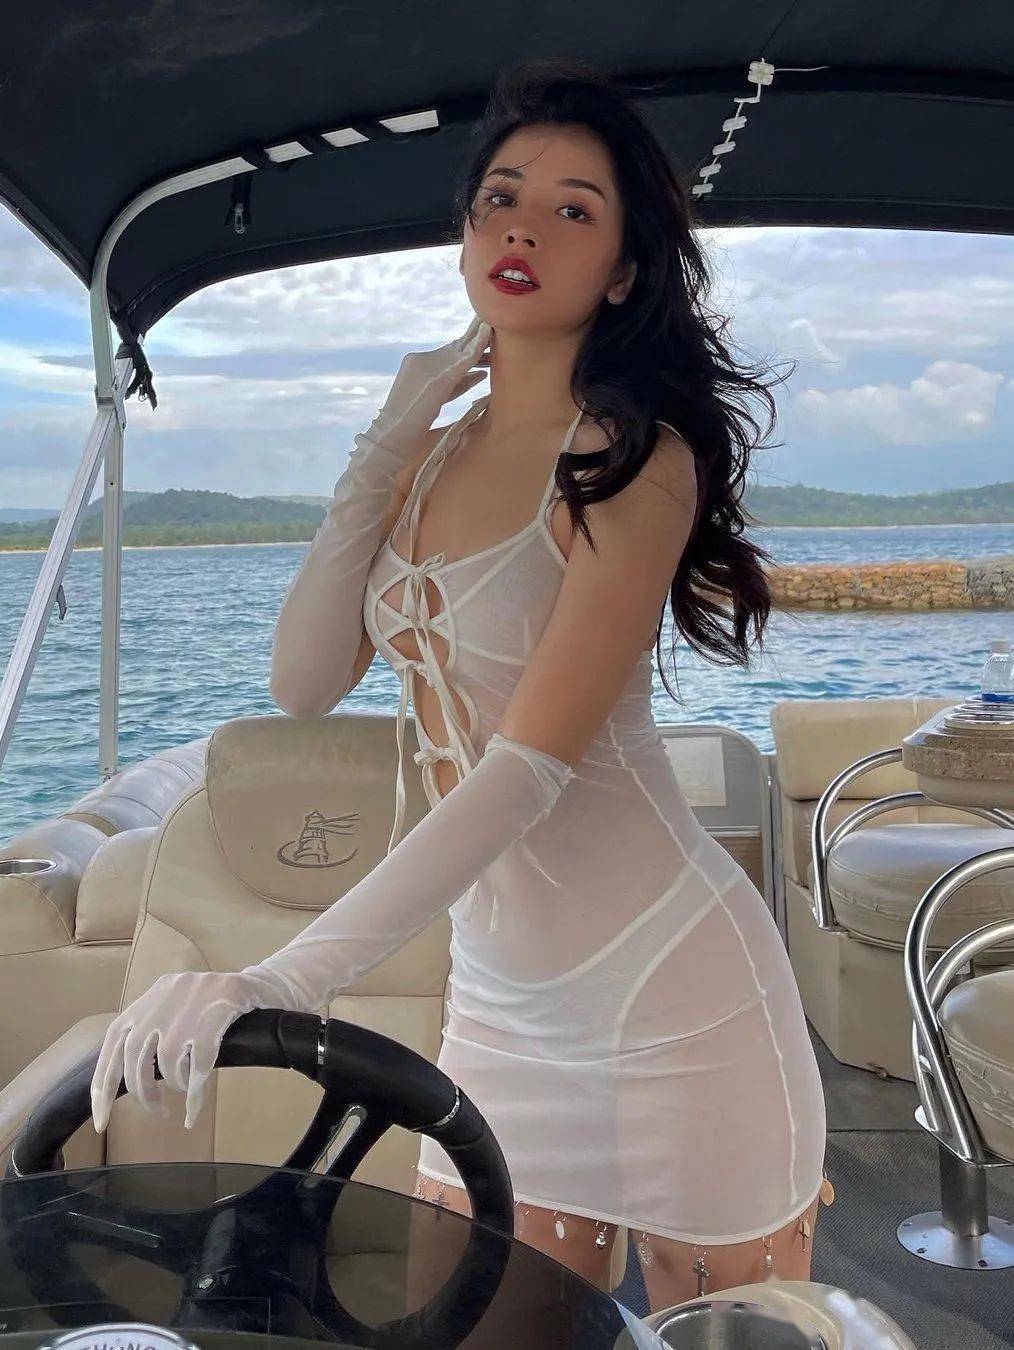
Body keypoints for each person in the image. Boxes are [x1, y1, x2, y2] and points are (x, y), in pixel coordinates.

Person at [89, 56, 830, 1314]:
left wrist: (284, 977)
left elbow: (525, 773)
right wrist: (385, 445)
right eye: (500, 198)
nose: (522, 228)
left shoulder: (635, 460)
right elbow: (303, 681)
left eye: (573, 209)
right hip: (499, 1008)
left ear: (625, 269)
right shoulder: (424, 464)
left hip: (679, 996)